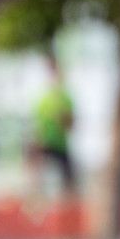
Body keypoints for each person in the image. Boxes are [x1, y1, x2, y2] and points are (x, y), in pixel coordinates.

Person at [32, 54, 76, 196]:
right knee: (36, 168)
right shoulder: (43, 99)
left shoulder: (66, 98)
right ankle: (36, 197)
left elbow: (71, 125)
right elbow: (37, 127)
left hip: (61, 145)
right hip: (46, 144)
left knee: (69, 178)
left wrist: (63, 119)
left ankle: (67, 201)